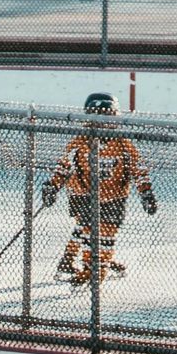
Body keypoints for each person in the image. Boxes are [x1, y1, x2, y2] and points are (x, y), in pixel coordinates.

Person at [41, 90, 156, 287]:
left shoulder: (122, 144)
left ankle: (98, 264)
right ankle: (93, 267)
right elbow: (64, 166)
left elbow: (138, 168)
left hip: (114, 196)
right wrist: (53, 185)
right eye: (98, 117)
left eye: (108, 117)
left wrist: (145, 191)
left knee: (107, 232)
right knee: (89, 231)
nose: (103, 122)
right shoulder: (80, 142)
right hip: (83, 193)